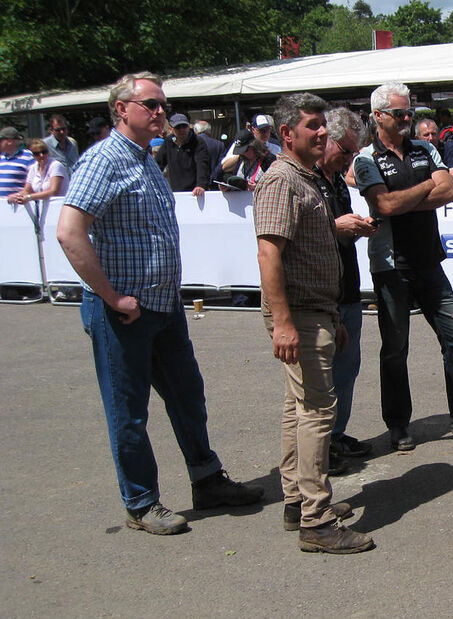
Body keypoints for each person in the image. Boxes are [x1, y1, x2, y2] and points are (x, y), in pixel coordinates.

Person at [55, 72, 262, 537]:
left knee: (188, 396)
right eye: (150, 104)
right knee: (128, 411)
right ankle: (141, 502)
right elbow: (69, 231)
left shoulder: (145, 158)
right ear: (121, 110)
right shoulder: (104, 159)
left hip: (161, 306)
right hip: (122, 312)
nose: (160, 112)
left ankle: (207, 480)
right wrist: (111, 295)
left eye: (162, 105)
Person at [253, 92, 374, 554]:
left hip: (313, 311)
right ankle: (316, 520)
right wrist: (285, 323)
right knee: (318, 413)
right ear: (288, 134)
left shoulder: (304, 177)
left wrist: (329, 312)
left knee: (298, 408)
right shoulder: (282, 180)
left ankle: (297, 501)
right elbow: (269, 253)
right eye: (312, 126)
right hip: (300, 314)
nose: (323, 132)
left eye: (323, 125)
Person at [353, 82, 453, 449]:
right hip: (391, 268)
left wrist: (404, 198)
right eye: (399, 114)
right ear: (377, 117)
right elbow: (384, 207)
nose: (407, 119)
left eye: (410, 113)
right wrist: (424, 189)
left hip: (429, 262)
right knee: (395, 349)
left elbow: (448, 190)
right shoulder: (366, 159)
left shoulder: (424, 148)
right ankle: (398, 423)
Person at [316, 107, 377, 469]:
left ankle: (335, 435)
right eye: (346, 151)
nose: (350, 159)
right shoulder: (304, 177)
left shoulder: (336, 179)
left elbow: (335, 227)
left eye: (355, 152)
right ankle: (322, 446)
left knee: (346, 366)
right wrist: (335, 229)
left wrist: (356, 226)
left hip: (346, 287)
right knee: (322, 374)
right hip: (322, 292)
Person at [156, 114, 209, 195]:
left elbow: (202, 165)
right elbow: (158, 164)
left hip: (195, 192)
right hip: (174, 191)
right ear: (171, 129)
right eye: (178, 127)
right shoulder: (168, 142)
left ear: (189, 127)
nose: (182, 130)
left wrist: (201, 185)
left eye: (184, 126)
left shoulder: (198, 142)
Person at [6, 138, 68, 207]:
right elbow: (27, 190)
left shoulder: (55, 165)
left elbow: (54, 191)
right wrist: (15, 196)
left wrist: (30, 197)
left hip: (59, 206)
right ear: (32, 155)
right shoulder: (33, 168)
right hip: (42, 208)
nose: (41, 155)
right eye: (37, 154)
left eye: (44, 152)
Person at [0, 126, 34, 198]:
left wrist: (19, 195)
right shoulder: (1, 157)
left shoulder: (28, 157)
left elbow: (34, 181)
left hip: (19, 204)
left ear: (9, 141)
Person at [193, 120, 226, 186]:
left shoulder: (191, 145)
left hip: (196, 185)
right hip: (215, 184)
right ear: (209, 131)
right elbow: (222, 164)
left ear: (195, 131)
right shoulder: (219, 145)